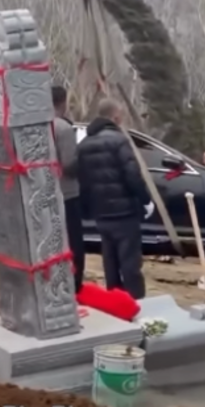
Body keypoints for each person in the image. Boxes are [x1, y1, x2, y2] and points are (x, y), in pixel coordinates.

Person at [77, 98, 153, 300]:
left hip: (101, 213)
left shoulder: (84, 144)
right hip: (124, 211)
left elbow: (82, 180)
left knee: (109, 260)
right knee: (129, 261)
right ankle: (136, 301)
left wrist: (88, 209)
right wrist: (145, 200)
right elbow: (132, 174)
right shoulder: (119, 140)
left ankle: (115, 299)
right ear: (116, 116)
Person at [51, 86, 84, 293]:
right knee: (73, 241)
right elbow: (69, 164)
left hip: (43, 193)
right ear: (63, 102)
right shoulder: (63, 128)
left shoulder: (37, 126)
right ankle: (75, 284)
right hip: (67, 192)